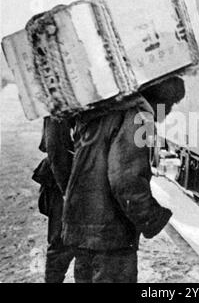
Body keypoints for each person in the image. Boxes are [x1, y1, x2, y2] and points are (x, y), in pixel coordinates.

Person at [61, 77, 185, 283]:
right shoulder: (138, 118)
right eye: (170, 105)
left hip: (83, 229)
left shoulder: (104, 110)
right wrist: (152, 217)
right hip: (110, 236)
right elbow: (126, 180)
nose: (169, 112)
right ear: (159, 102)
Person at [32, 117, 75, 283]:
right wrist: (67, 190)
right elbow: (55, 148)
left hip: (79, 178)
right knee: (61, 242)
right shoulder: (60, 102)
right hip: (63, 181)